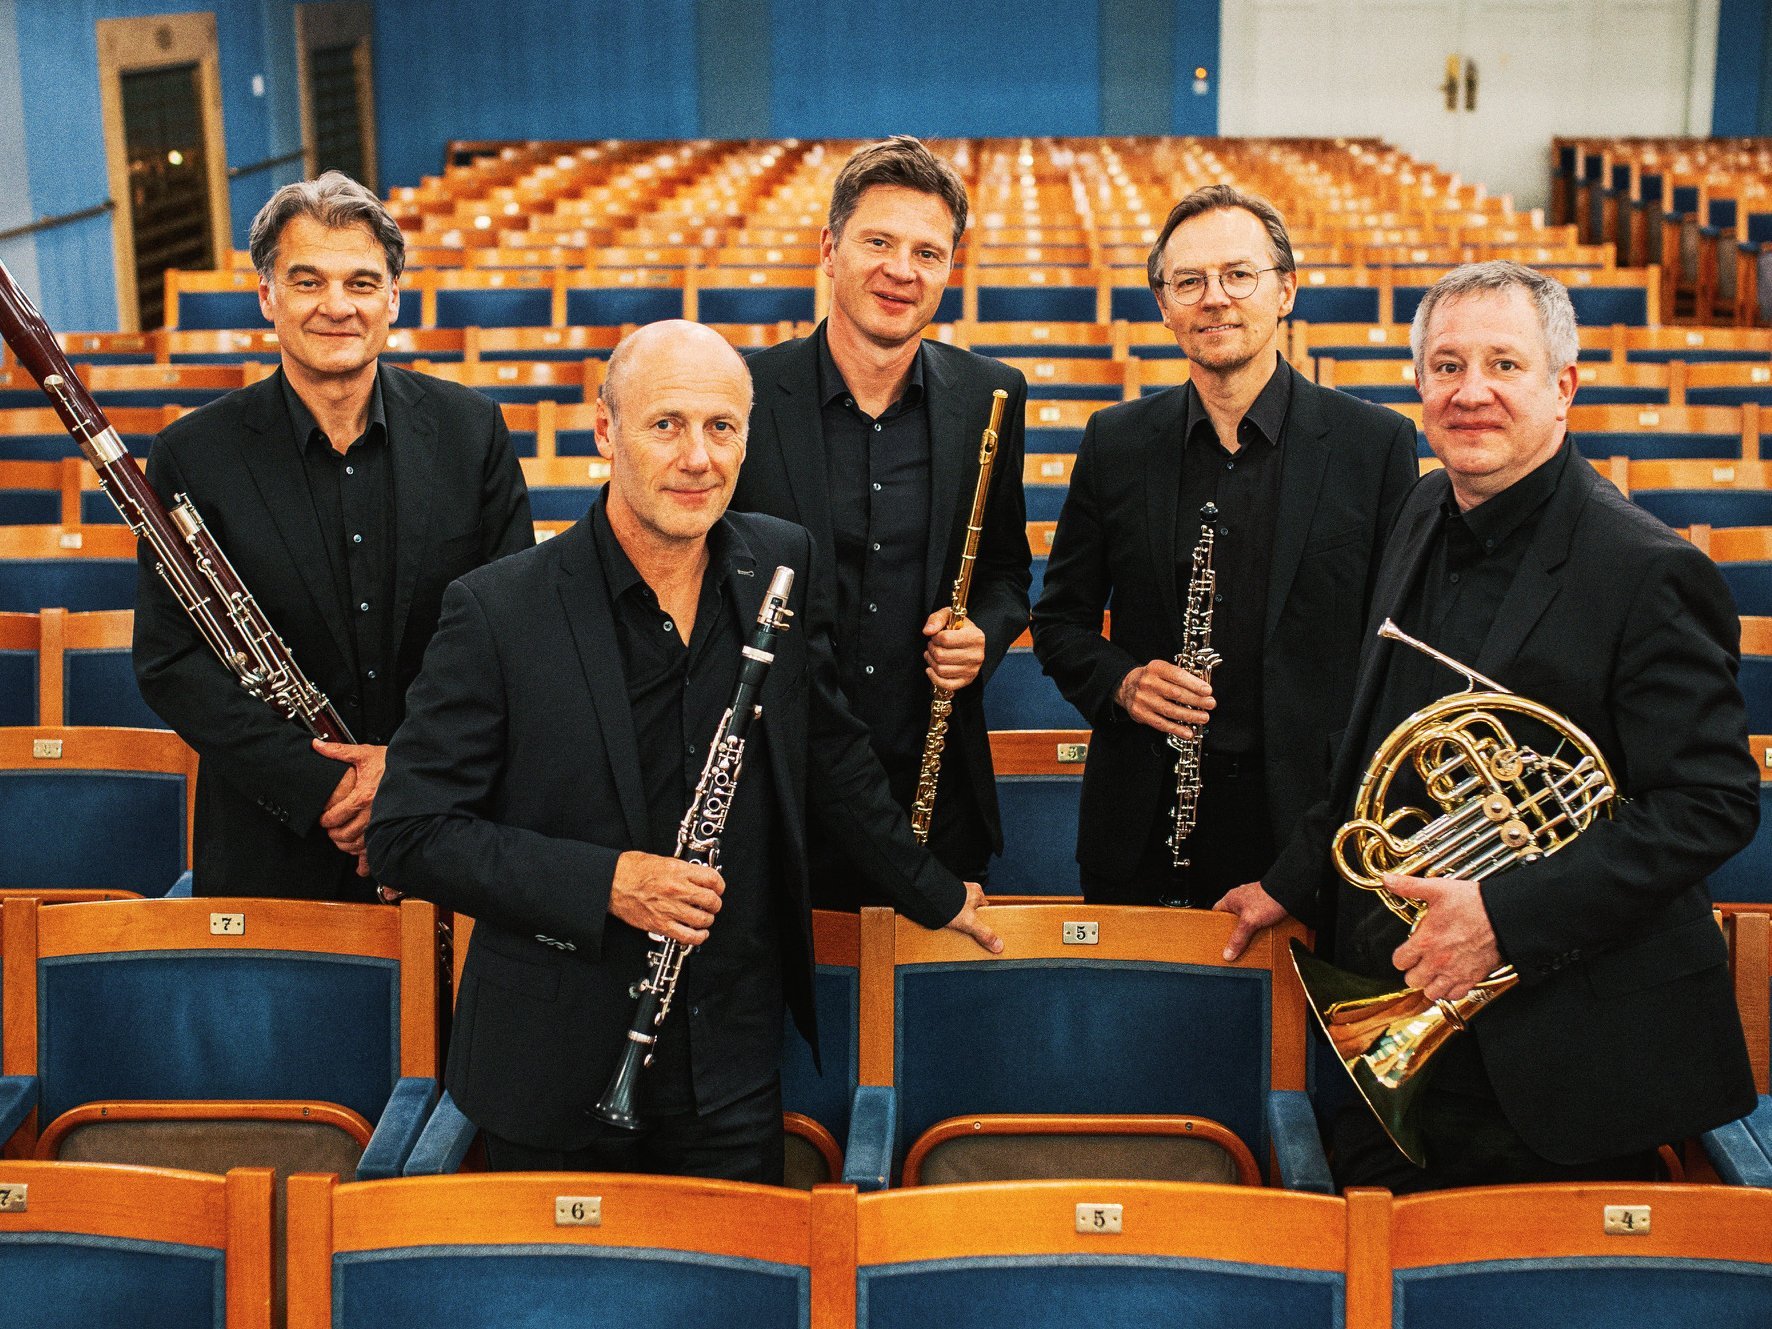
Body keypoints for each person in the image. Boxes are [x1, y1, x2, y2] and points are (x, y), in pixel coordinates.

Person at [365, 320, 1000, 1183]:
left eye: (722, 427)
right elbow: (408, 832)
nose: (698, 457)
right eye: (666, 424)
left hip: (732, 1056)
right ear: (605, 431)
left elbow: (829, 755)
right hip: (553, 1064)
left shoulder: (780, 560)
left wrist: (933, 891)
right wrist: (609, 885)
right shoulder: (498, 609)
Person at [1220, 260, 1759, 1190]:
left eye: (1505, 365)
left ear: (1563, 387)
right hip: (1399, 1003)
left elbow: (1710, 804)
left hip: (1564, 1051)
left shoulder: (1645, 569)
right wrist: (1294, 878)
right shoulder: (1423, 507)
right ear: (1418, 384)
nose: (1472, 393)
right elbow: (1374, 734)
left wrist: (1503, 918)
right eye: (1447, 365)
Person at [133, 171, 533, 903]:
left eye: (360, 281)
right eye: (308, 280)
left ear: (392, 299)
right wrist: (324, 786)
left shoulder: (471, 432)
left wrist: (406, 771)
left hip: (446, 827)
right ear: (267, 297)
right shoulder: (194, 455)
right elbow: (173, 661)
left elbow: (513, 637)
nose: (336, 306)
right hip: (271, 844)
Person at [1031, 184, 1418, 906]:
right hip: (1142, 828)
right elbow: (1059, 624)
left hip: (1308, 835)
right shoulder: (1116, 443)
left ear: (1286, 291)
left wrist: (1305, 863)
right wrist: (1123, 682)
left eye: (1240, 275)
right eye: (1190, 281)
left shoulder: (1375, 447)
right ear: (1165, 306)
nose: (1215, 298)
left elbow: (1395, 661)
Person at [732, 136, 1031, 894]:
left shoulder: (991, 395)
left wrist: (983, 637)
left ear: (949, 271)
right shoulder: (742, 394)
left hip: (933, 803)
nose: (902, 270)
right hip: (776, 800)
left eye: (929, 252)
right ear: (830, 250)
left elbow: (1004, 571)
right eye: (879, 242)